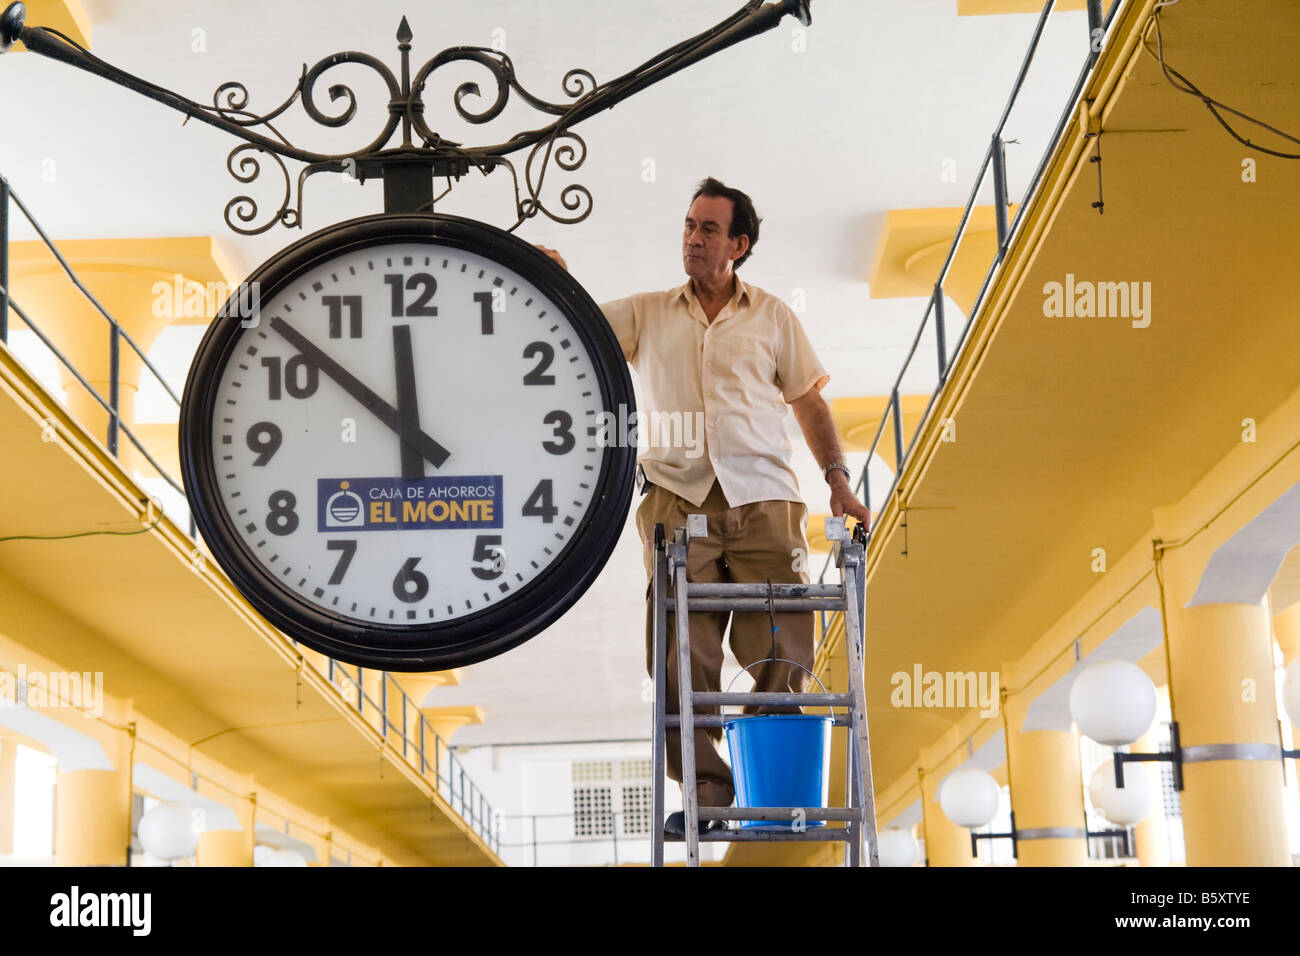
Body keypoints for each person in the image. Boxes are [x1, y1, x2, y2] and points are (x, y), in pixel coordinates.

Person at [536, 176, 870, 837]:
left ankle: (772, 791)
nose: (693, 238)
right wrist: (556, 280)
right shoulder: (651, 312)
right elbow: (581, 328)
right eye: (689, 225)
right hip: (676, 500)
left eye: (709, 229)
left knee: (785, 647)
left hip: (765, 499)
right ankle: (709, 796)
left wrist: (838, 481)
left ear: (738, 245)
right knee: (679, 655)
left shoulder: (773, 316)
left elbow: (809, 402)